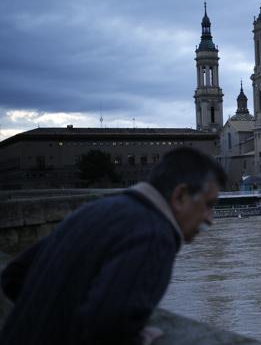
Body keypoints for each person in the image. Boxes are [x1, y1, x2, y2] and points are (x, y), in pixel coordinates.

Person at [0, 147, 226, 345]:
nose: (209, 219)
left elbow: (13, 277)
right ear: (180, 196)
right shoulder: (155, 236)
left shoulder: (97, 208)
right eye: (208, 205)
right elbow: (108, 327)